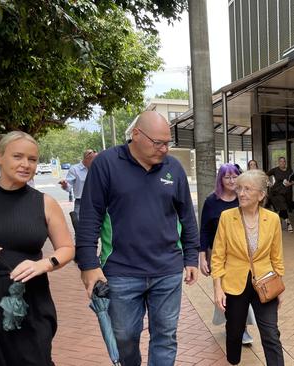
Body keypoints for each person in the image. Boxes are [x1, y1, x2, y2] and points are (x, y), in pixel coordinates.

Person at [75, 111, 200, 366]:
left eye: (168, 143)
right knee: (124, 337)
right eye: (158, 143)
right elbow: (90, 217)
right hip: (120, 272)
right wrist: (89, 265)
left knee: (165, 337)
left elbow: (187, 215)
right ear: (136, 135)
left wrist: (191, 257)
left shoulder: (173, 168)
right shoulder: (106, 164)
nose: (165, 149)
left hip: (167, 270)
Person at [0, 131, 75, 365]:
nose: (25, 164)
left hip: (31, 301)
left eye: (32, 159)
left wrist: (45, 263)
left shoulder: (44, 203)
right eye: (17, 156)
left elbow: (66, 248)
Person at [211, 169, 285, 366]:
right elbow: (218, 256)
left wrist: (279, 287)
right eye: (239, 188)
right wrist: (218, 288)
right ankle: (233, 362)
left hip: (265, 282)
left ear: (261, 195)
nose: (241, 193)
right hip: (234, 284)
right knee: (234, 333)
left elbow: (276, 256)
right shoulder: (227, 217)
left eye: (247, 189)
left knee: (271, 333)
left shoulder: (273, 219)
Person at [199, 163, 255, 345]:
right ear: (220, 179)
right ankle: (233, 327)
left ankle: (242, 329)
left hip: (243, 255)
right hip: (220, 256)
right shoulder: (211, 201)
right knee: (228, 293)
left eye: (235, 176)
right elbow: (205, 230)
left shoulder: (244, 198)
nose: (232, 180)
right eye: (227, 177)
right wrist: (202, 256)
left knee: (244, 292)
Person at [58, 149, 96, 219]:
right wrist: (65, 185)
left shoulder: (96, 168)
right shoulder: (75, 169)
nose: (96, 162)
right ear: (86, 159)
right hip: (81, 202)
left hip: (96, 200)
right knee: (79, 224)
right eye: (94, 160)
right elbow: (68, 186)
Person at [267, 157, 294, 233]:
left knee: (281, 209)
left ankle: (276, 223)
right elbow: (266, 175)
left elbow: (293, 181)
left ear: (285, 162)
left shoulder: (290, 171)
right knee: (283, 207)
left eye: (284, 161)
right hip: (275, 192)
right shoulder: (275, 170)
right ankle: (288, 223)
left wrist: (289, 183)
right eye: (281, 161)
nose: (282, 163)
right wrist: (268, 183)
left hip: (286, 193)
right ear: (278, 162)